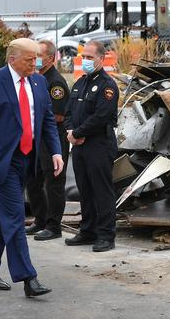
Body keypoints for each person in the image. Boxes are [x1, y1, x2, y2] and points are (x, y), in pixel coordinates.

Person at [0, 38, 64, 297]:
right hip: (2, 162)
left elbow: (45, 119)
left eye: (36, 58)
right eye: (29, 59)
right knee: (14, 217)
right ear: (12, 59)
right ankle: (28, 278)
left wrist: (55, 150)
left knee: (3, 217)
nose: (34, 63)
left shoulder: (39, 81)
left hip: (28, 159)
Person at [64, 40, 118, 252]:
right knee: (85, 190)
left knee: (102, 192)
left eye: (89, 57)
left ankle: (106, 235)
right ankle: (88, 231)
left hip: (99, 145)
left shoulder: (107, 86)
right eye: (83, 57)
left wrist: (78, 133)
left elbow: (101, 116)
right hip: (79, 146)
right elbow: (68, 112)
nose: (85, 61)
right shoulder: (80, 83)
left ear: (101, 59)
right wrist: (71, 132)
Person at [25, 40, 70, 241]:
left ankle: (54, 226)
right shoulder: (35, 78)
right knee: (33, 181)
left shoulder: (55, 83)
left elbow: (59, 115)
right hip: (37, 139)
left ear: (50, 58)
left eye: (39, 55)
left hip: (53, 139)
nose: (35, 60)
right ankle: (40, 219)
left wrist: (35, 117)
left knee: (53, 184)